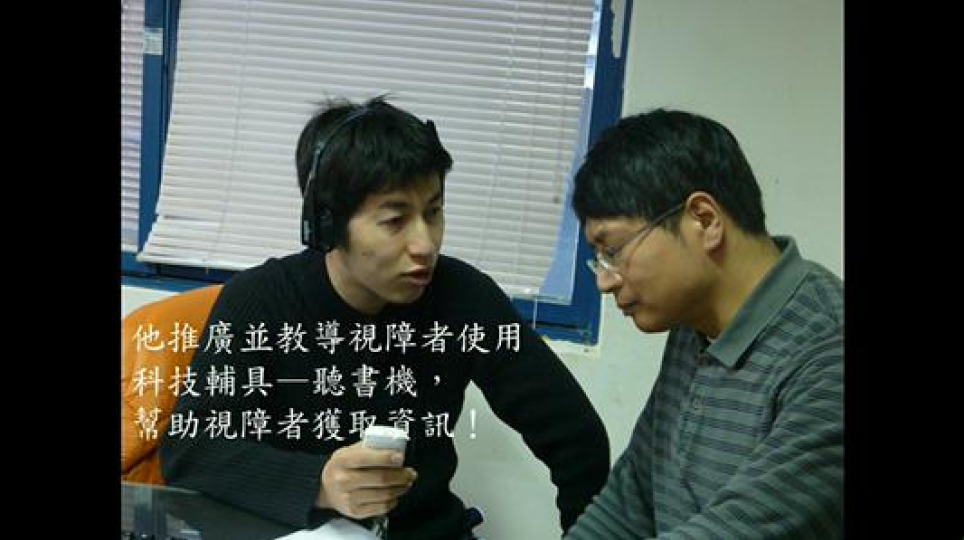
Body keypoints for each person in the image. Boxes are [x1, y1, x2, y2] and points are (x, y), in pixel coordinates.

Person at [159, 96, 610, 540]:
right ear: (327, 224)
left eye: (433, 212)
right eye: (395, 221)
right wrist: (318, 482)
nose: (425, 245)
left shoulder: (464, 298)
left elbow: (577, 437)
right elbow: (190, 452)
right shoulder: (262, 301)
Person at [564, 109, 843, 539]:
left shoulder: (829, 349)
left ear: (705, 220)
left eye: (613, 251)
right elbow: (629, 503)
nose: (604, 280)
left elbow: (735, 531)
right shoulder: (694, 325)